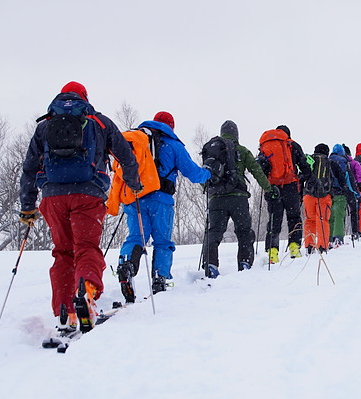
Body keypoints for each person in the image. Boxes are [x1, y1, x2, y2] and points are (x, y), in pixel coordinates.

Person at [19, 81, 142, 332]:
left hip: (52, 197)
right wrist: (134, 184)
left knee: (63, 252)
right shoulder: (99, 122)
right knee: (86, 247)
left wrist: (27, 206)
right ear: (84, 98)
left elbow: (30, 167)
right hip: (88, 193)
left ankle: (65, 312)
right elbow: (125, 155)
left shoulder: (44, 126)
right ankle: (85, 293)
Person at [109, 112, 211, 302]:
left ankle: (127, 264)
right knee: (162, 241)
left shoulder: (138, 141)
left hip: (135, 196)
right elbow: (193, 173)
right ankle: (160, 278)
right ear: (171, 126)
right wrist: (207, 173)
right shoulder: (173, 145)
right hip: (161, 199)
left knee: (136, 237)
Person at [202, 120, 276, 278]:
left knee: (214, 232)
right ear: (236, 134)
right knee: (244, 232)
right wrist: (269, 188)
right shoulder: (242, 151)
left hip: (216, 198)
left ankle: (211, 264)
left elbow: (206, 176)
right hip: (238, 198)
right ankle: (244, 262)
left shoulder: (214, 151)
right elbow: (257, 171)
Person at [257, 125, 311, 263]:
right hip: (291, 186)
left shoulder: (267, 144)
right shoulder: (292, 145)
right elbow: (304, 164)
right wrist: (309, 178)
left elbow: (261, 166)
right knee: (294, 217)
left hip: (273, 187)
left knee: (274, 219)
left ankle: (272, 252)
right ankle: (294, 247)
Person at [302, 144, 334, 253]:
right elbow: (336, 178)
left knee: (309, 220)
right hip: (324, 195)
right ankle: (322, 245)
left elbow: (301, 176)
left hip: (309, 195)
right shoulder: (330, 162)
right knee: (323, 220)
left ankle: (309, 246)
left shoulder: (309, 160)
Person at [328, 144, 360, 247]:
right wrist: (355, 192)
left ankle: (329, 238)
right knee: (339, 215)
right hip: (340, 192)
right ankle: (338, 237)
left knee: (330, 216)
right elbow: (348, 179)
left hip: (328, 193)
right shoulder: (345, 162)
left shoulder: (328, 161)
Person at [343, 144, 361, 240]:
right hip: (352, 189)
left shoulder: (339, 162)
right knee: (354, 212)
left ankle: (339, 234)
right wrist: (359, 184)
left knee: (341, 212)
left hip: (341, 190)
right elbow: (359, 174)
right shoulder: (354, 163)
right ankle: (355, 232)